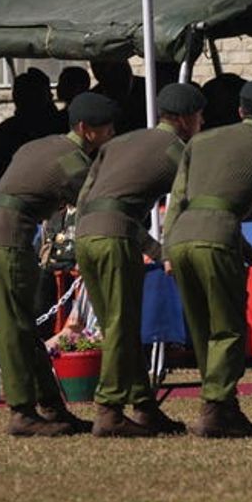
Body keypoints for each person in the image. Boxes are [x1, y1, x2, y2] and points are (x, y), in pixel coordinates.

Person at [0, 92, 117, 437]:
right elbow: (97, 202)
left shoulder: (39, 145)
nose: (111, 135)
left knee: (24, 327)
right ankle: (21, 411)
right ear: (86, 129)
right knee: (14, 331)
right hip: (7, 240)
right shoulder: (72, 161)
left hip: (0, 236)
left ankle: (52, 408)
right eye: (106, 129)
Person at [162, 80, 252, 438]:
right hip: (217, 239)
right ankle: (216, 406)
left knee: (201, 327)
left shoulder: (199, 141)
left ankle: (222, 403)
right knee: (227, 325)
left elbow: (178, 199)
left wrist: (168, 248)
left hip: (182, 237)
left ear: (240, 111)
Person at [75, 103, 189, 438]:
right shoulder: (177, 150)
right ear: (185, 118)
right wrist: (165, 251)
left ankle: (143, 404)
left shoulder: (115, 145)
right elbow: (187, 202)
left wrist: (154, 250)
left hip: (86, 236)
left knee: (116, 325)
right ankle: (109, 410)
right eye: (199, 116)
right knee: (122, 324)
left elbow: (86, 200)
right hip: (115, 239)